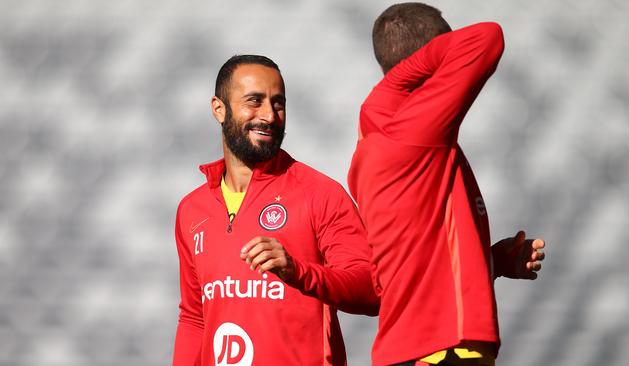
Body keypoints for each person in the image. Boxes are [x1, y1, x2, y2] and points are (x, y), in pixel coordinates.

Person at [347, 3, 545, 366]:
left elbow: (417, 262)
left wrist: (492, 262)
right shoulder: (411, 135)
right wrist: (424, 62)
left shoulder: (398, 140)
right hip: (439, 353)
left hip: (431, 350)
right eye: (446, 48)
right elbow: (487, 37)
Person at [171, 55, 379, 366]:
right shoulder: (192, 210)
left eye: (278, 103)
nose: (269, 115)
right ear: (219, 108)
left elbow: (370, 289)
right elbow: (194, 318)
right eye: (254, 101)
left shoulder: (320, 194)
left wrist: (298, 272)